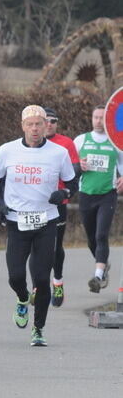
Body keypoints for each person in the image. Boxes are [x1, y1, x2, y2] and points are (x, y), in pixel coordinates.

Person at [0, 105, 77, 346]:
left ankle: (38, 329)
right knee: (15, 276)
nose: (35, 128)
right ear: (22, 126)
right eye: (30, 124)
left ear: (46, 125)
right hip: (17, 221)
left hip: (46, 221)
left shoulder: (58, 153)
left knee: (41, 278)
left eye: (40, 123)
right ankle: (21, 299)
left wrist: (64, 193)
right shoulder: (7, 150)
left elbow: (72, 182)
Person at [74, 106, 123, 293]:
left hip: (107, 194)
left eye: (102, 118)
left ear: (107, 120)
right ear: (91, 118)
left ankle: (98, 275)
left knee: (101, 235)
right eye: (95, 117)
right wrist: (80, 166)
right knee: (91, 239)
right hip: (86, 194)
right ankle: (103, 264)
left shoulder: (115, 142)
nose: (98, 121)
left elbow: (122, 164)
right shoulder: (80, 140)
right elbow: (69, 166)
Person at [44, 107, 80, 306]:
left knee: (56, 245)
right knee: (36, 246)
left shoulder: (66, 143)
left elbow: (74, 171)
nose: (49, 124)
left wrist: (64, 192)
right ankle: (38, 286)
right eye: (46, 120)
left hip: (58, 203)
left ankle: (57, 281)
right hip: (36, 204)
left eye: (53, 121)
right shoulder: (31, 143)